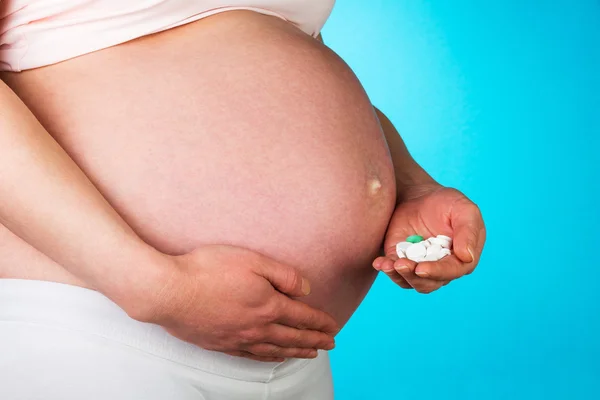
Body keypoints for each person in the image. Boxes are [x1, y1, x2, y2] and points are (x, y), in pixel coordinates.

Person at [0, 1, 486, 399]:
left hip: (292, 358)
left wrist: (409, 182)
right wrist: (156, 288)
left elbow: (281, 55)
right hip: (97, 323)